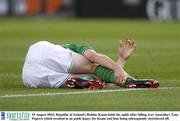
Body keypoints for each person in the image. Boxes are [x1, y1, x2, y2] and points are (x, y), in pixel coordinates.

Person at [22, 39, 159, 89]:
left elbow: (107, 80)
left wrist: (122, 59)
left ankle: (80, 82)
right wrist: (118, 66)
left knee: (95, 80)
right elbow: (93, 57)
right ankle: (130, 82)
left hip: (29, 77)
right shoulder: (78, 48)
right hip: (43, 52)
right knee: (92, 67)